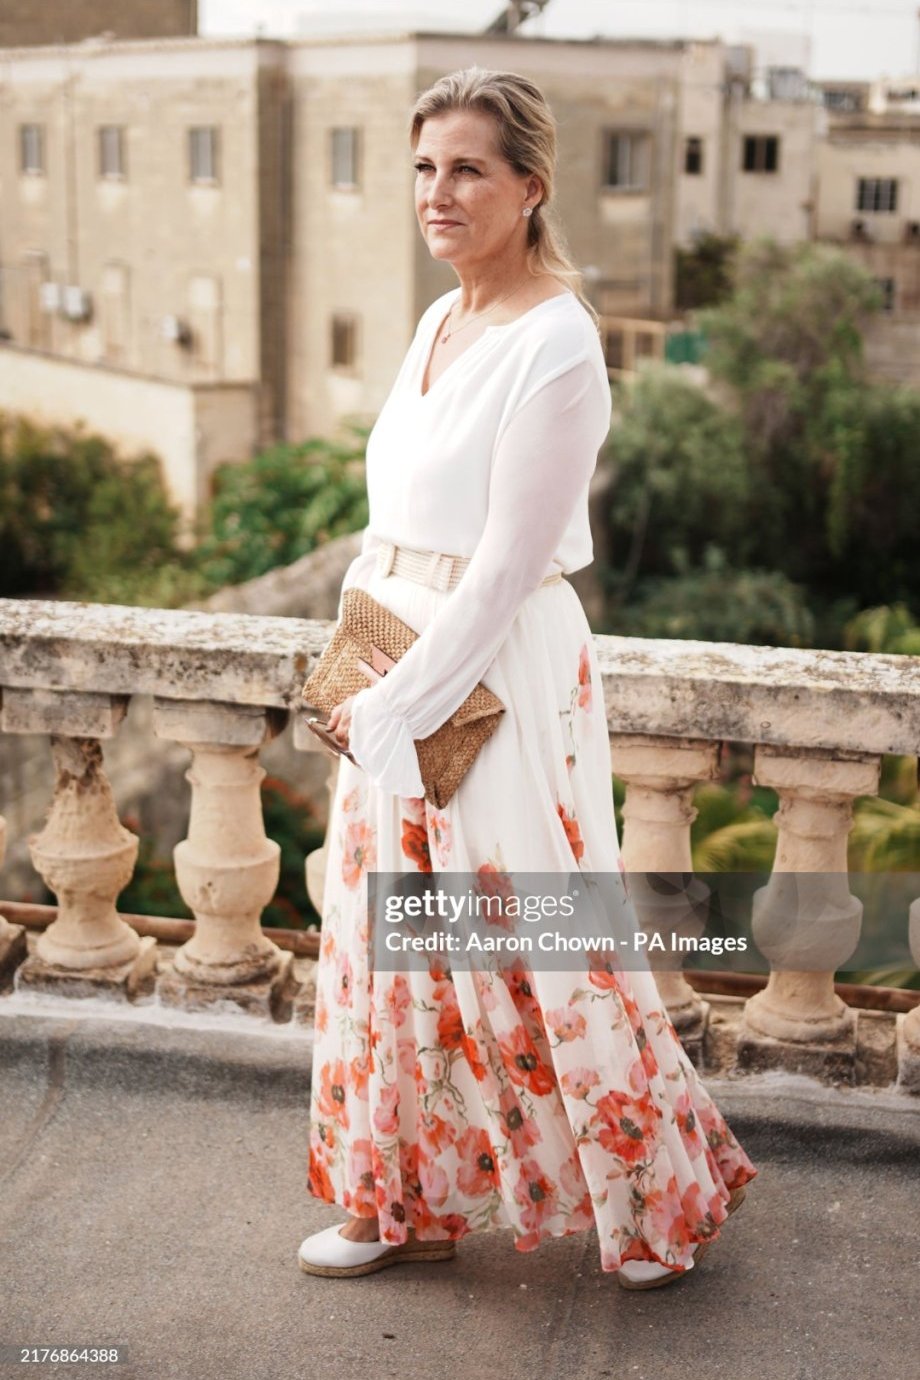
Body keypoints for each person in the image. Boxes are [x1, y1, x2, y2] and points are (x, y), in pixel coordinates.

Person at [298, 66, 757, 1289]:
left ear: (530, 186)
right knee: (389, 940)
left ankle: (649, 1207)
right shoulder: (434, 322)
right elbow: (394, 522)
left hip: (490, 668)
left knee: (535, 930)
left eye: (466, 169)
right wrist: (357, 663)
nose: (435, 192)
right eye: (422, 167)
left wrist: (398, 706)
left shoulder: (557, 340)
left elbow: (505, 566)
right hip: (391, 656)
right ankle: (397, 1202)